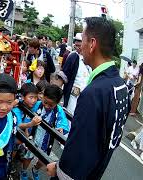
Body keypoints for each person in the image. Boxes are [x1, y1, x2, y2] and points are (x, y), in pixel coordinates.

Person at [46, 17, 130, 180]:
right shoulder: (120, 85)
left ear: (92, 44)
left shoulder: (94, 92)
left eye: (82, 40)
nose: (79, 46)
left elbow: (79, 149)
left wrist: (58, 169)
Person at [15, 84, 69, 180]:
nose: (47, 106)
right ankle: (23, 171)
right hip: (34, 134)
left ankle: (35, 169)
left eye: (51, 105)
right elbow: (25, 105)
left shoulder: (59, 110)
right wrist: (16, 102)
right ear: (43, 96)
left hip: (47, 138)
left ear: (57, 103)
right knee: (28, 156)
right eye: (45, 102)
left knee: (43, 159)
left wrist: (60, 128)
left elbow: (63, 121)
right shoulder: (36, 104)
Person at [61, 33, 91, 115]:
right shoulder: (73, 57)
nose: (78, 48)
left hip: (87, 97)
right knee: (71, 116)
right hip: (73, 96)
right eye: (76, 45)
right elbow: (63, 76)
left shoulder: (91, 59)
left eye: (80, 45)